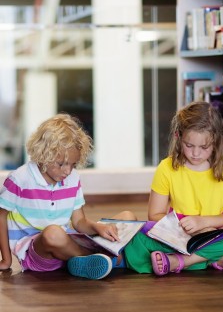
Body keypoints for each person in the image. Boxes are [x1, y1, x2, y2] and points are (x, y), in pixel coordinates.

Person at [123, 101, 223, 275]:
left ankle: (183, 261)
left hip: (218, 231)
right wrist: (186, 227)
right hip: (180, 234)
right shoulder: (166, 167)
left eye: (204, 147)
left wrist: (205, 223)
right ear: (178, 136)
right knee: (141, 230)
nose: (196, 153)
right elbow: (154, 215)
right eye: (189, 145)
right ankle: (218, 258)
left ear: (215, 141)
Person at [0, 113, 136, 280]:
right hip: (39, 253)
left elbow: (79, 222)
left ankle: (82, 261)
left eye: (73, 164)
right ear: (43, 155)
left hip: (70, 241)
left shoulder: (73, 178)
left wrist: (97, 227)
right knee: (52, 233)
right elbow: (1, 216)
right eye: (61, 164)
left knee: (127, 217)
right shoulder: (20, 178)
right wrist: (6, 260)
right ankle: (105, 257)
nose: (68, 171)